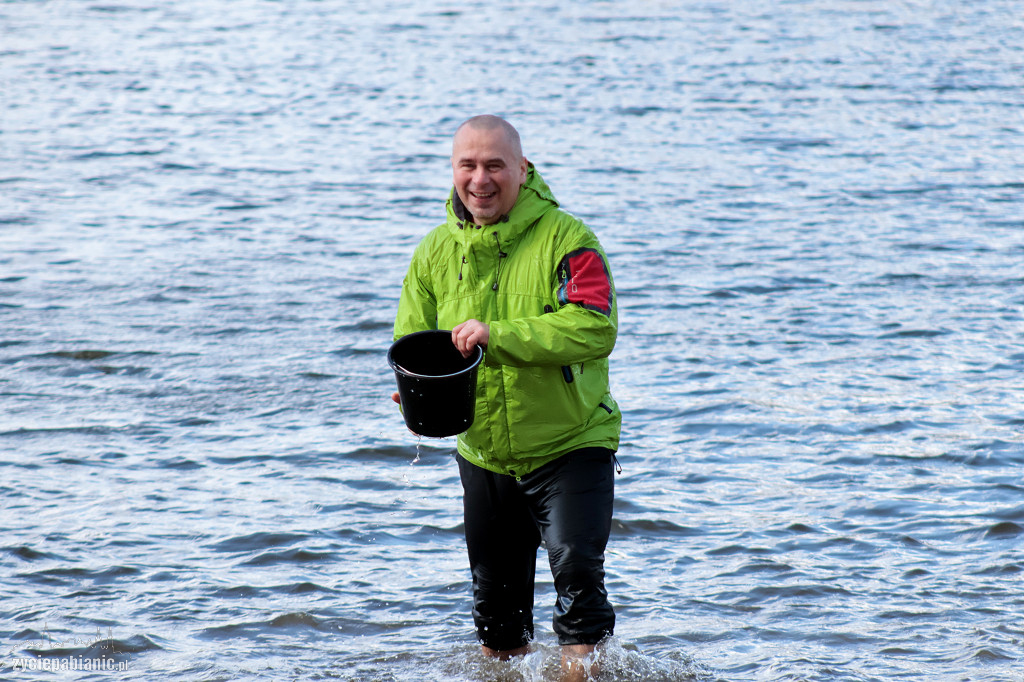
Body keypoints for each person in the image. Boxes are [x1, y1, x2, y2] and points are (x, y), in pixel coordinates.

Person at [391, 114, 620, 679]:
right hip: (485, 455)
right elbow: (414, 342)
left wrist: (499, 336)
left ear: (522, 168)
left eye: (494, 165)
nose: (480, 179)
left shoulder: (569, 239)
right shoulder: (433, 251)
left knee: (579, 590)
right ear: (453, 170)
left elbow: (595, 327)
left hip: (571, 444)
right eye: (467, 165)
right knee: (498, 622)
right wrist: (413, 394)